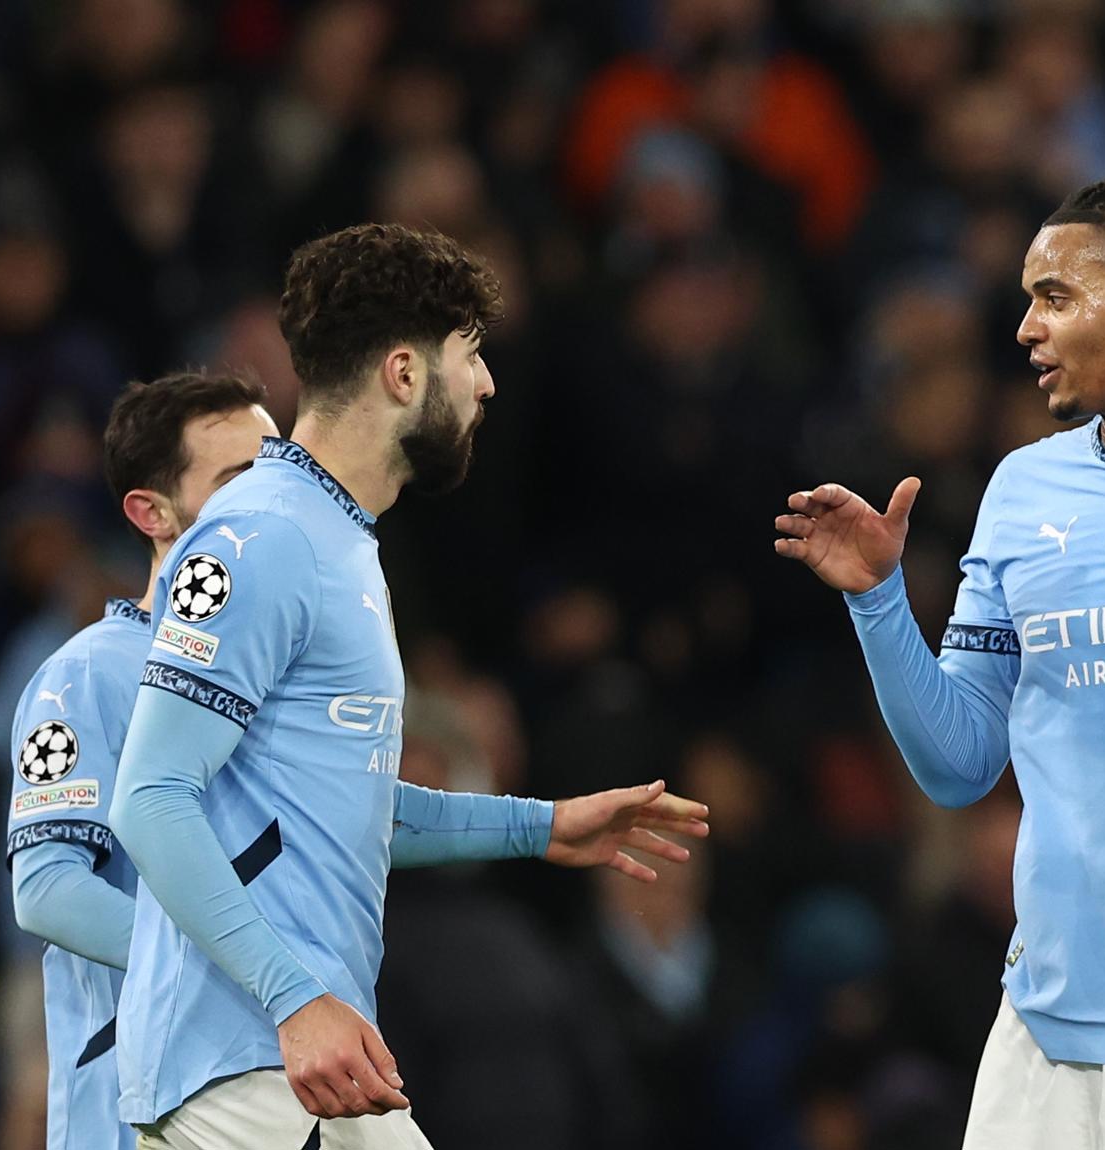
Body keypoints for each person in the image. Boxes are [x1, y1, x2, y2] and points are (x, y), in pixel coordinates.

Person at [106, 223, 711, 1147]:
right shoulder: (259, 538)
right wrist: (295, 997)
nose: (487, 383)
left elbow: (335, 806)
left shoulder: (339, 541)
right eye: (469, 355)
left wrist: (541, 826)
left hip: (306, 1063)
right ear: (403, 373)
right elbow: (149, 798)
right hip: (242, 1067)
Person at [775, 160, 1105, 1149]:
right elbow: (957, 764)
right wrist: (880, 605)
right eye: (1027, 301)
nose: (1026, 328)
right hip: (1039, 1025)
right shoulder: (1022, 488)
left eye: (1055, 297)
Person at [6, 372, 281, 1150]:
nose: (270, 499)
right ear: (150, 512)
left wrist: (538, 825)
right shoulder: (91, 671)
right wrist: (250, 966)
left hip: (268, 1085)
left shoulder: (272, 680)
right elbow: (48, 889)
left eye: (280, 470)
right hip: (137, 1110)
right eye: (238, 478)